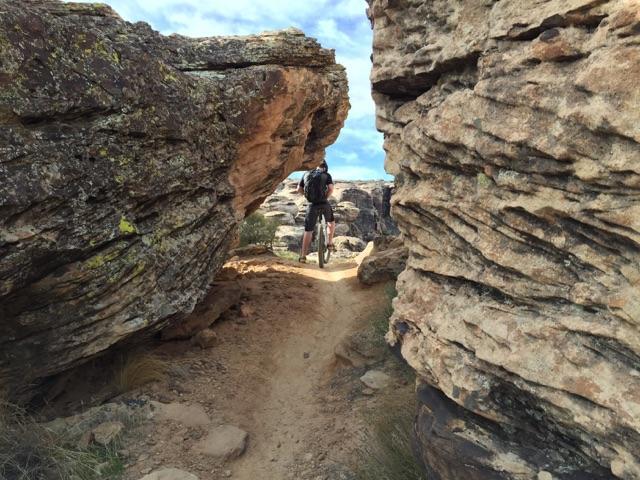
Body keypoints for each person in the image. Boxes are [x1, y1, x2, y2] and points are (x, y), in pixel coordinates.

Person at [297, 160, 336, 263]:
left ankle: (303, 256)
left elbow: (298, 189)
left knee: (308, 230)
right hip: (323, 203)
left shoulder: (306, 174)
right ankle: (330, 243)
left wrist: (306, 196)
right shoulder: (326, 175)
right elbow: (331, 189)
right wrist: (325, 197)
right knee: (331, 222)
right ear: (325, 167)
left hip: (311, 205)